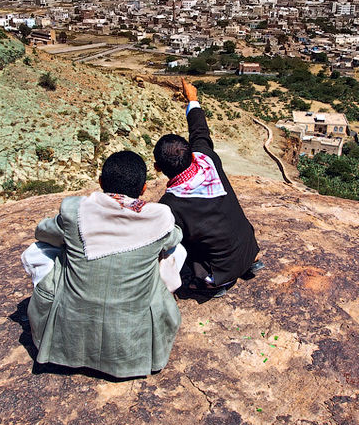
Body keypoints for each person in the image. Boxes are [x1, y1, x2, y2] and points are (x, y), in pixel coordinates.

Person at [24, 150, 184, 378]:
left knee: (37, 251)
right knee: (178, 251)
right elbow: (174, 238)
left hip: (71, 326)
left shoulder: (74, 210)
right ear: (143, 189)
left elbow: (42, 233)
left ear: (100, 182)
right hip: (131, 336)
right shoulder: (158, 217)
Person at [153, 79, 262, 297]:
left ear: (157, 168)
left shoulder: (170, 204)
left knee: (180, 243)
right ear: (191, 154)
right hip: (250, 249)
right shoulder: (207, 158)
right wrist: (192, 99)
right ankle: (249, 264)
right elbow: (199, 129)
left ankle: (208, 283)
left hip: (221, 271)